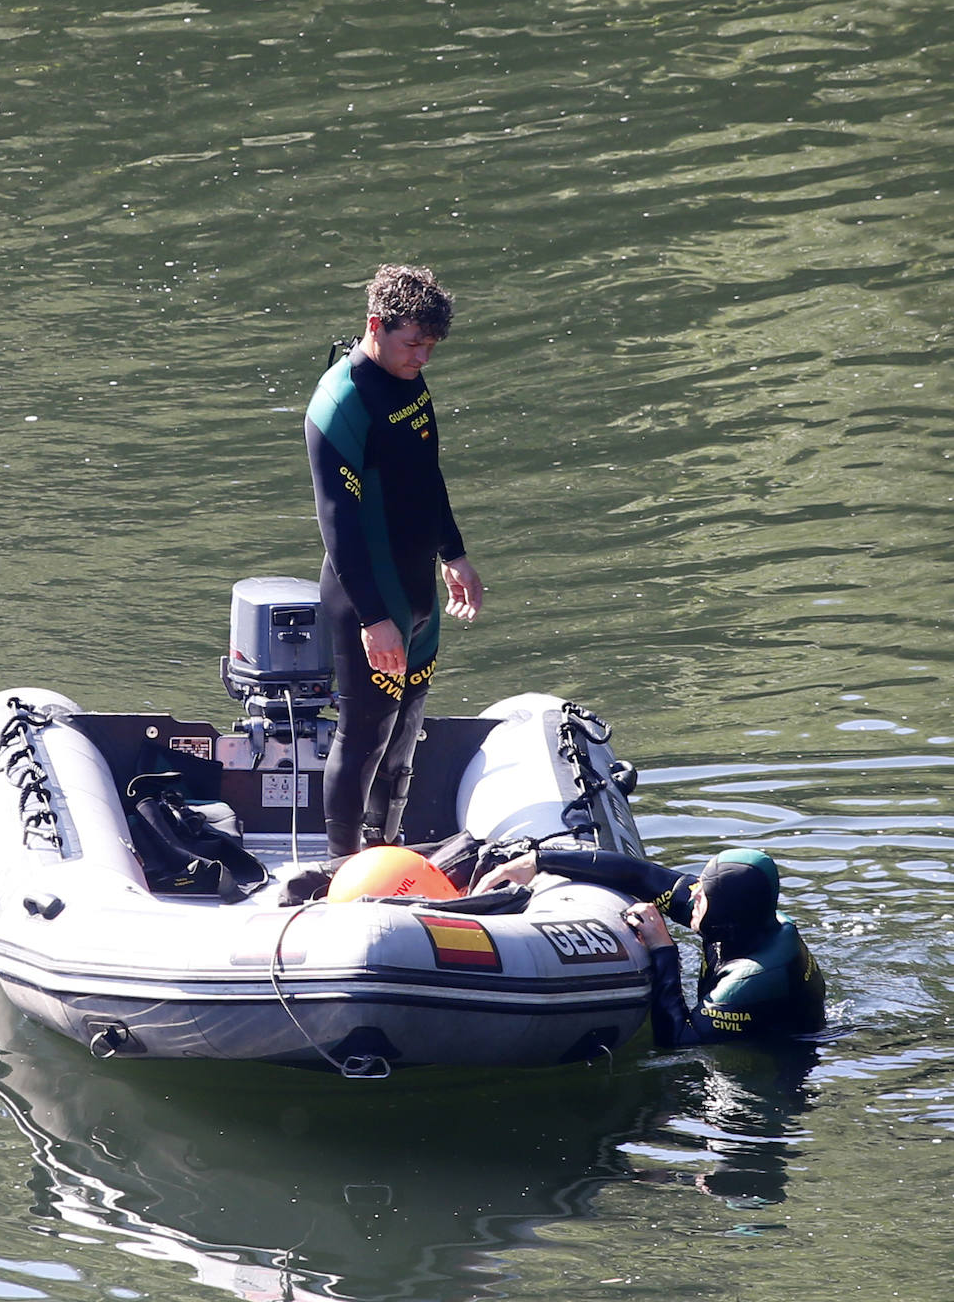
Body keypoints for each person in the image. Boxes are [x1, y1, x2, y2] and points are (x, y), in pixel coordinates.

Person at [305, 264, 482, 859]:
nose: (423, 358)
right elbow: (339, 525)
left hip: (417, 593)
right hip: (369, 593)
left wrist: (453, 553)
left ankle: (387, 850)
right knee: (365, 735)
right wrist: (373, 617)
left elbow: (425, 477)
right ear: (376, 326)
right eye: (414, 344)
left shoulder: (407, 380)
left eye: (431, 347)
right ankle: (343, 867)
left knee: (405, 732)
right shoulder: (342, 401)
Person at [474, 845, 825, 1046]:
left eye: (704, 895)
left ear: (725, 916)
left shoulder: (753, 976)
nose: (694, 893)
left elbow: (678, 1041)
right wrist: (537, 861)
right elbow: (641, 876)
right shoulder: (739, 918)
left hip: (778, 1062)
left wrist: (663, 950)